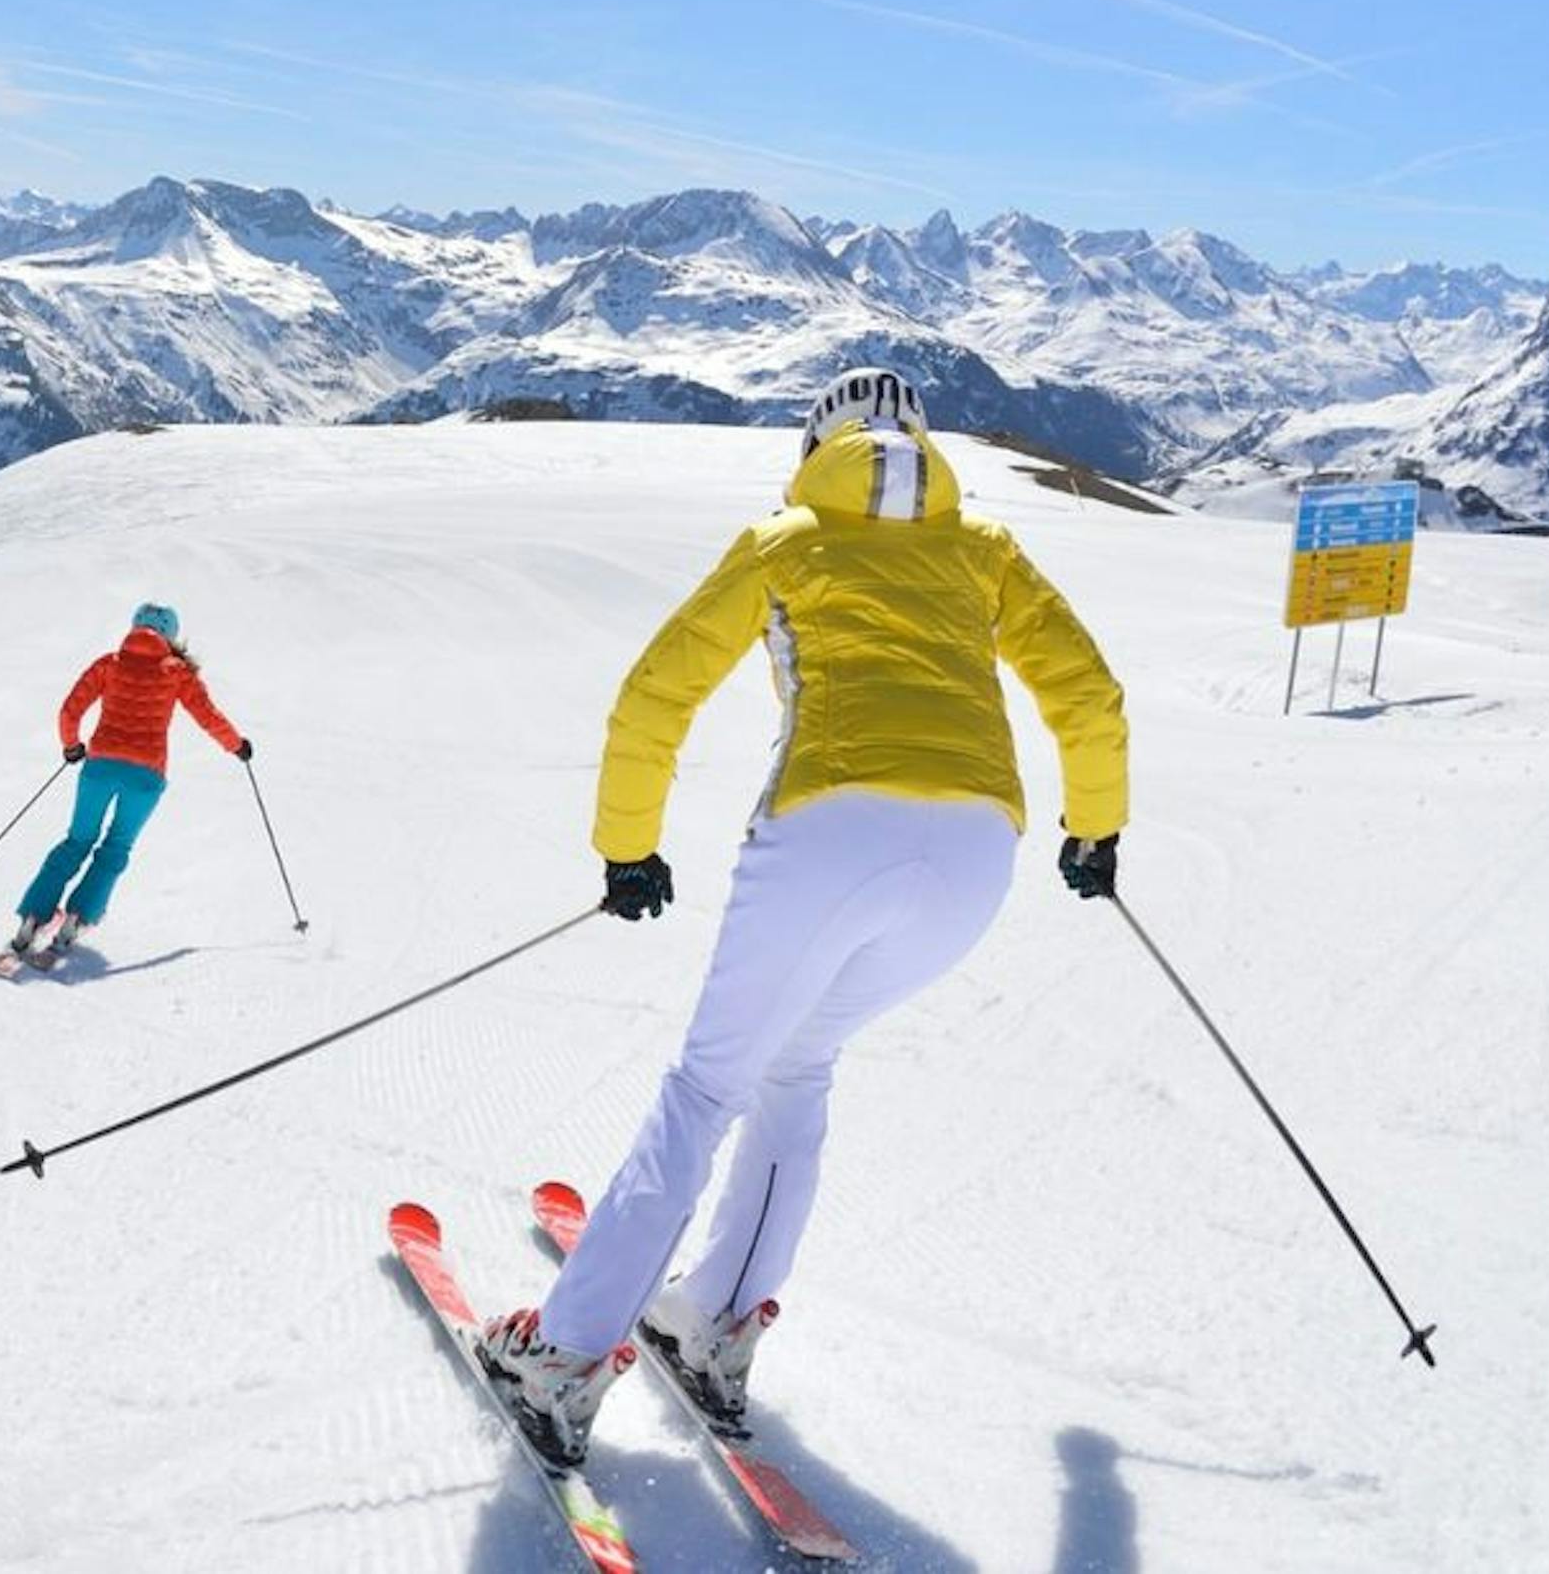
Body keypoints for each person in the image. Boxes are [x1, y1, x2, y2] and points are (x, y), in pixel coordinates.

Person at [470, 366, 1130, 1462]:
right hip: (975, 853)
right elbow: (1086, 690)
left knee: (707, 1085)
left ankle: (564, 1353)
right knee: (800, 1064)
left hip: (827, 828)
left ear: (813, 450)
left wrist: (628, 843)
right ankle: (715, 1316)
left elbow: (658, 690)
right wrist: (1096, 824)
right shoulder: (985, 548)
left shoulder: (786, 540)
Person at [6, 601, 254, 957]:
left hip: (100, 768)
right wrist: (237, 746)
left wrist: (71, 746)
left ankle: (34, 915)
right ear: (170, 636)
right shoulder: (177, 671)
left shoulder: (110, 663)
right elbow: (208, 716)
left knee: (76, 841)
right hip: (146, 776)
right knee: (116, 847)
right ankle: (78, 916)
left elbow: (70, 709)